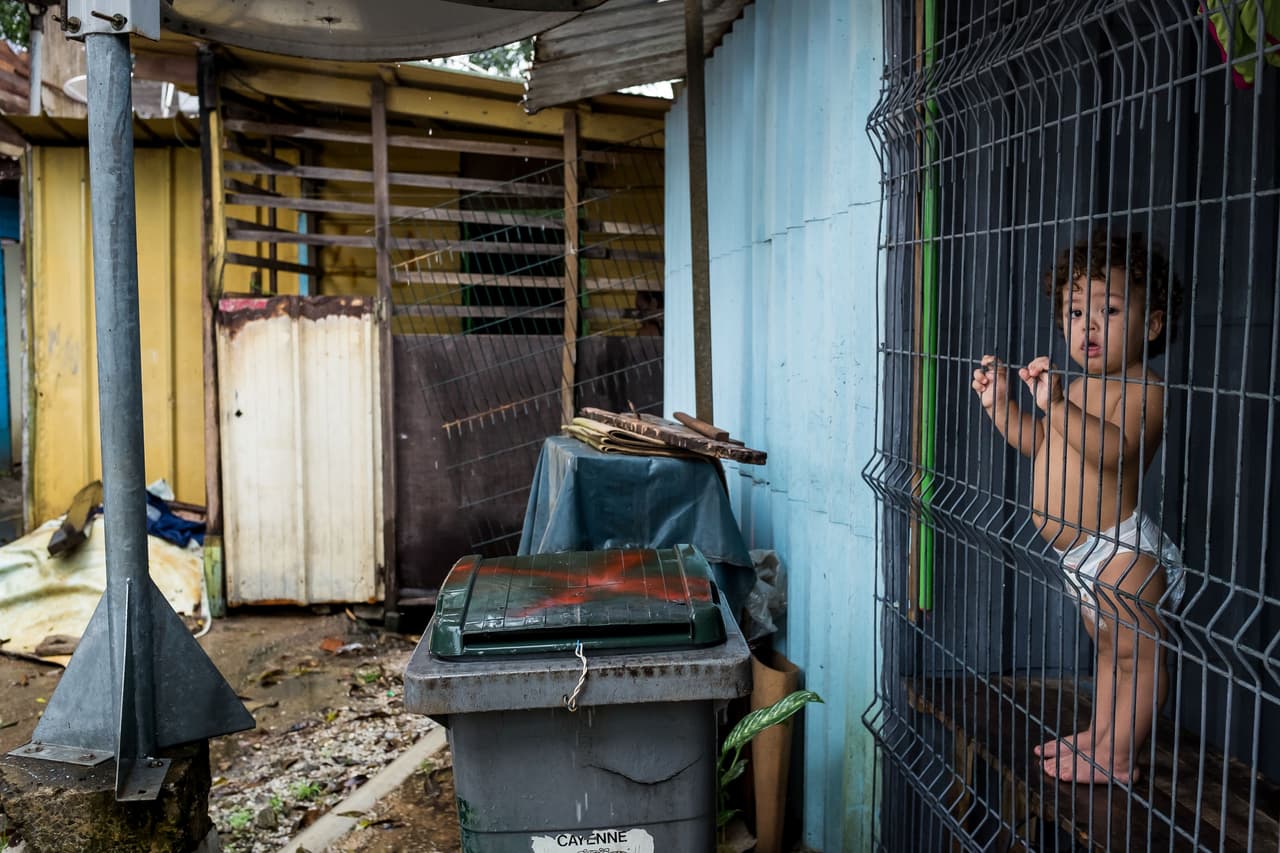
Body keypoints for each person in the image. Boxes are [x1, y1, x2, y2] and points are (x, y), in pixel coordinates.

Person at [971, 230, 1185, 784]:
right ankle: (1104, 736)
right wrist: (1002, 406)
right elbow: (1042, 442)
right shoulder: (1081, 387)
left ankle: (1118, 757)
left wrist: (1060, 404)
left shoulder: (1143, 387)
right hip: (1080, 559)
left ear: (1152, 324)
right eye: (1074, 311)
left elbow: (1116, 451)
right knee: (1112, 657)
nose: (1086, 325)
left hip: (1122, 553)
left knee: (1139, 657)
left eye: (1108, 309)